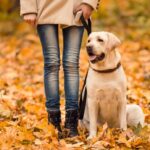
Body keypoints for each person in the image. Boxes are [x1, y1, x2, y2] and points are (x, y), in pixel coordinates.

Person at [20, 0, 100, 138]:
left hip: (76, 6)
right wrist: (29, 7)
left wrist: (89, 2)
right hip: (44, 5)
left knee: (71, 64)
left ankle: (71, 122)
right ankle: (53, 121)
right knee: (51, 63)